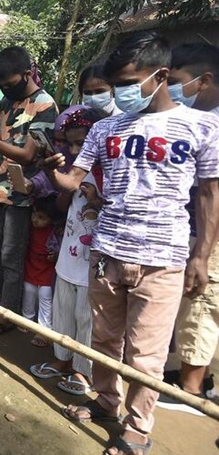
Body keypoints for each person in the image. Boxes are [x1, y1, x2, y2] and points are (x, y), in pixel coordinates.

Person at [47, 32, 219, 455]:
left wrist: (201, 256)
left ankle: (138, 428)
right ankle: (106, 402)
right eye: (117, 84)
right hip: (106, 251)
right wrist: (52, 168)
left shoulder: (203, 125)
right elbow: (74, 178)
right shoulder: (105, 127)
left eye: (129, 82)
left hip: (163, 258)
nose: (122, 93)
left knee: (147, 353)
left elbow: (212, 194)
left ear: (160, 75)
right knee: (105, 340)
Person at [0, 46, 59, 336]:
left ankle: (8, 313)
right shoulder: (5, 103)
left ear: (28, 73)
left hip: (21, 193)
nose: (6, 89)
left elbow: (29, 155)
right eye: (2, 85)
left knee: (10, 254)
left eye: (10, 83)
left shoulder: (44, 105)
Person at [157, 42, 219, 415]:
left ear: (204, 80)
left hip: (211, 235)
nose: (171, 89)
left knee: (202, 302)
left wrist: (203, 251)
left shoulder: (215, 125)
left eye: (177, 81)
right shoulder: (201, 119)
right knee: (191, 303)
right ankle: (195, 374)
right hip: (196, 228)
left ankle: (191, 389)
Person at [30, 107, 107, 396]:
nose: (75, 149)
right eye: (71, 143)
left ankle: (82, 371)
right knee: (63, 310)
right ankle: (61, 360)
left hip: (95, 259)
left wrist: (97, 201)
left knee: (87, 317)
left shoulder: (110, 173)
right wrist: (62, 183)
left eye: (81, 143)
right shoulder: (75, 173)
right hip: (69, 253)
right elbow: (62, 207)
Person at [20, 195, 61, 347]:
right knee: (28, 289)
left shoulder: (56, 231)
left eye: (41, 217)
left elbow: (58, 249)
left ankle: (44, 329)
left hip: (47, 269)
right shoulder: (29, 228)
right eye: (34, 215)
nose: (35, 220)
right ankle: (26, 320)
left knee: (45, 295)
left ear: (51, 220)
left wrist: (54, 256)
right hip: (31, 265)